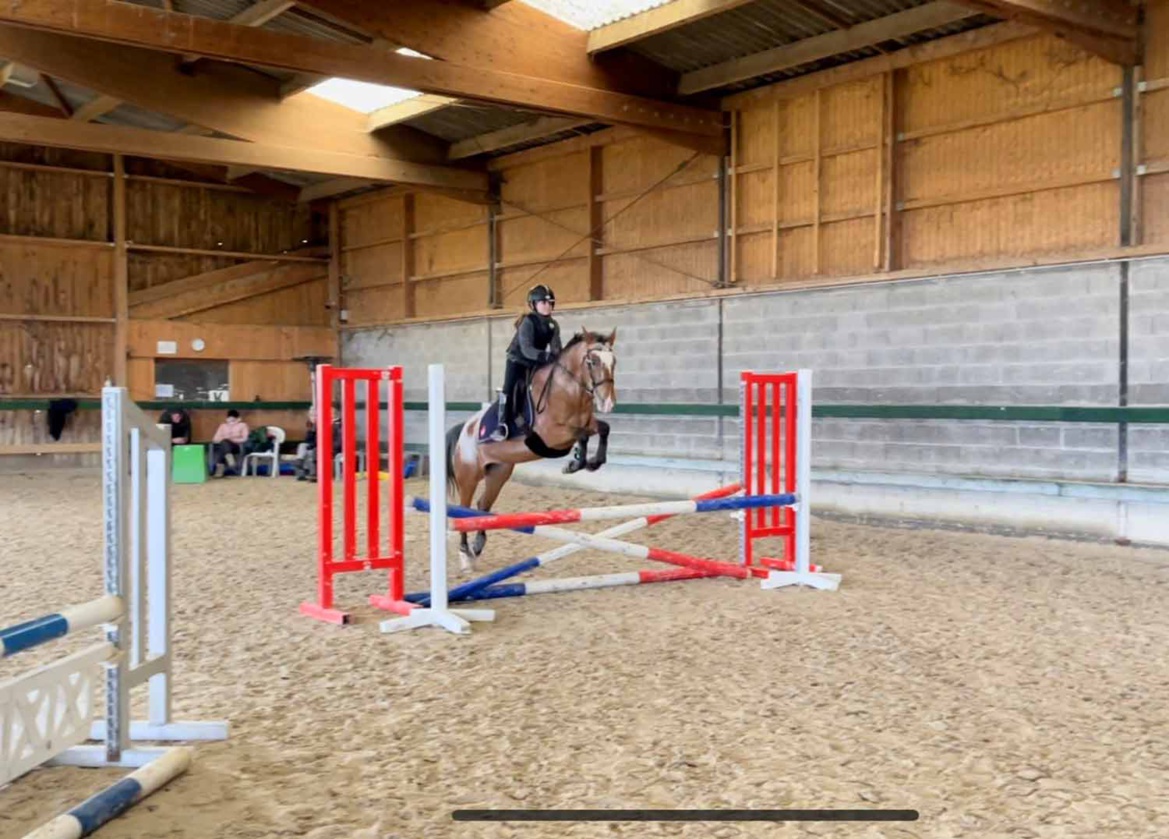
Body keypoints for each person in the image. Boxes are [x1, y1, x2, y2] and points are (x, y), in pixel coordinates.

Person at [489, 284, 561, 442]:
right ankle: (501, 425)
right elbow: (527, 349)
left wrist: (559, 360)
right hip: (517, 360)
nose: (547, 306)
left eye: (550, 303)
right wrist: (545, 356)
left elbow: (557, 349)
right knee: (509, 387)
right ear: (534, 305)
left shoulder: (553, 325)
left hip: (535, 362)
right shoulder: (528, 322)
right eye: (543, 303)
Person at [208, 409, 249, 477]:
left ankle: (219, 471)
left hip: (236, 446)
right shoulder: (223, 426)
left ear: (238, 419)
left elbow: (245, 438)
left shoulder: (243, 425)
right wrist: (225, 438)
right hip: (224, 445)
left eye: (233, 420)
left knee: (224, 446)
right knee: (224, 443)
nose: (231, 422)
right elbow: (215, 439)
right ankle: (229, 457)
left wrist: (232, 439)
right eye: (229, 420)